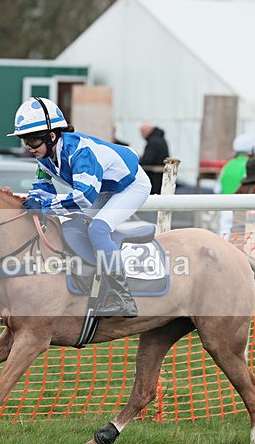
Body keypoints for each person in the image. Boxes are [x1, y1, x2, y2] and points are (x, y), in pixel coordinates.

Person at [9, 97, 151, 317]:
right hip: (104, 188)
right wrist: (31, 204)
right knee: (74, 226)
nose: (29, 147)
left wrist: (44, 206)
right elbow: (42, 189)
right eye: (24, 141)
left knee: (98, 229)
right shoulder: (45, 156)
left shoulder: (80, 153)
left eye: (33, 141)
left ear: (52, 136)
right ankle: (93, 284)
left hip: (131, 185)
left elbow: (83, 198)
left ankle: (123, 298)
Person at [216, 133, 255, 237]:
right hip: (242, 210)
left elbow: (217, 189)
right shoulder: (251, 166)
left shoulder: (227, 166)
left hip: (224, 208)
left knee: (224, 240)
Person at [139, 120, 169, 194]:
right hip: (160, 175)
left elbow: (147, 160)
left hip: (154, 177)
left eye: (142, 131)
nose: (141, 135)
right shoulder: (161, 139)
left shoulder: (153, 142)